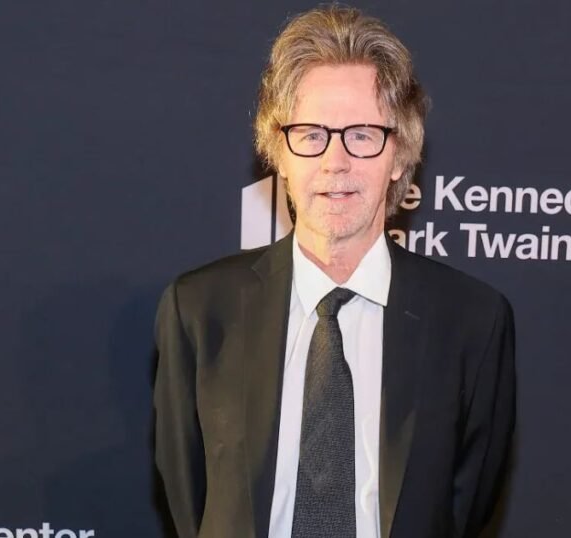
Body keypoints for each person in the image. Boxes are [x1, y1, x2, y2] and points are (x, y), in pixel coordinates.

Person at [154, 5, 515, 538]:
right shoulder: (200, 310)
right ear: (279, 151)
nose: (335, 161)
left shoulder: (472, 322)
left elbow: (467, 509)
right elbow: (191, 502)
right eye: (311, 133)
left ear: (400, 156)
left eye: (363, 135)